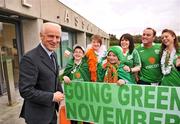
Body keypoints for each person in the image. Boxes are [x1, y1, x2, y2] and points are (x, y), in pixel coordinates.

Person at [19, 22, 64, 124]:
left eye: (57, 37)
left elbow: (55, 78)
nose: (55, 40)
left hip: (51, 112)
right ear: (41, 36)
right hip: (37, 117)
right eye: (51, 36)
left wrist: (62, 96)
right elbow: (26, 91)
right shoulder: (29, 58)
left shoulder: (54, 54)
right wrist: (52, 97)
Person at [61, 44, 91, 124]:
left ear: (83, 54)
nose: (77, 54)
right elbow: (62, 76)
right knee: (74, 115)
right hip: (73, 94)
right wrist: (64, 77)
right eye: (76, 52)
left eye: (80, 52)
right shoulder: (69, 64)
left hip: (85, 94)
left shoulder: (86, 65)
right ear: (73, 54)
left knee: (86, 114)